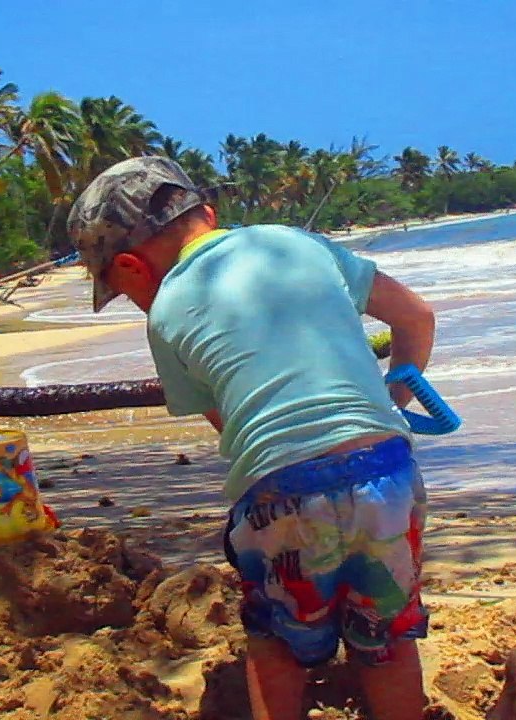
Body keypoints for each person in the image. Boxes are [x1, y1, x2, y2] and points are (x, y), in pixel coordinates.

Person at [67, 156, 437, 720]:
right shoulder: (295, 243)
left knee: (276, 643)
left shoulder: (165, 313)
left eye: (120, 289)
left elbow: (232, 429)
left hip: (281, 491)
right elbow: (417, 318)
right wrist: (395, 399)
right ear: (208, 214)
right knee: (387, 640)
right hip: (386, 470)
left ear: (130, 266)